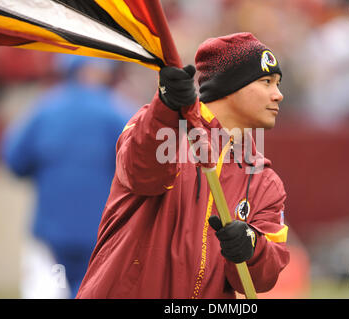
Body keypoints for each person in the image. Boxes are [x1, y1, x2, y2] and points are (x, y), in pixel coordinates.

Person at [76, 32, 290, 299]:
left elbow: (262, 279)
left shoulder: (265, 181)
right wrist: (165, 109)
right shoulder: (158, 125)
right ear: (230, 86)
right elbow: (142, 173)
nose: (278, 95)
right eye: (266, 82)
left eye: (277, 83)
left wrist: (252, 246)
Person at [0, 54, 131, 298]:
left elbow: (14, 161)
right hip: (101, 238)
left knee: (48, 292)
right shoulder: (119, 112)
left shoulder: (44, 109)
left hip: (50, 235)